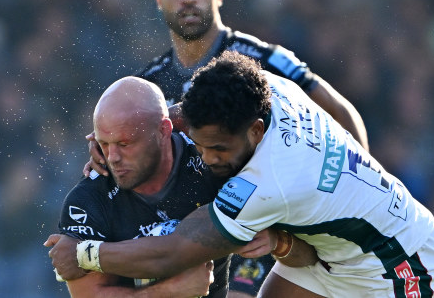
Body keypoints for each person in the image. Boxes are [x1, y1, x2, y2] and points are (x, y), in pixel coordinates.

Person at [47, 52, 434, 297]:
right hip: (332, 255)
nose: (206, 158)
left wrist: (84, 253)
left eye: (219, 149)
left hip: (400, 264)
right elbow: (192, 113)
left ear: (256, 131)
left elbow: (176, 248)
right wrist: (133, 133)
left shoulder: (265, 184)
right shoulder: (267, 88)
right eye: (202, 145)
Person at [84, 0, 369, 296]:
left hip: (265, 231)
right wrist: (109, 151)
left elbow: (341, 112)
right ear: (159, 2)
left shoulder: (263, 59)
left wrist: (360, 193)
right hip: (191, 235)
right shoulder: (148, 87)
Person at [52, 75, 317, 297]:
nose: (112, 158)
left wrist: (277, 242)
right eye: (104, 143)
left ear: (164, 130)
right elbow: (92, 295)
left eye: (124, 144)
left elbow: (312, 256)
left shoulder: (215, 162)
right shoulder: (87, 201)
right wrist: (169, 291)